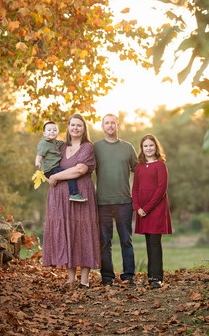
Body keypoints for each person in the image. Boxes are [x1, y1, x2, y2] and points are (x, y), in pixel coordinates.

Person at [42, 114, 100, 288]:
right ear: (67, 127)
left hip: (80, 194)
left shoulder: (87, 147)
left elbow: (79, 170)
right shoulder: (60, 147)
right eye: (72, 125)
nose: (75, 128)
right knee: (66, 231)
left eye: (79, 126)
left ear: (84, 129)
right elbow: (46, 166)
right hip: (59, 197)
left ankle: (84, 280)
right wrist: (47, 176)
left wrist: (56, 176)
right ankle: (70, 278)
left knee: (82, 231)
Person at [94, 114, 138, 287]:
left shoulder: (127, 147)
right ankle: (107, 277)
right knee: (105, 242)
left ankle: (128, 276)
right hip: (102, 202)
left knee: (126, 240)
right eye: (107, 123)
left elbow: (139, 171)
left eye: (113, 122)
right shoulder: (95, 147)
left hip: (124, 202)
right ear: (102, 126)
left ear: (118, 125)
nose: (110, 125)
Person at [132, 133, 172, 288]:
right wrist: (137, 207)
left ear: (156, 147)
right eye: (145, 146)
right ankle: (151, 276)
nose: (148, 148)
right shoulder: (139, 166)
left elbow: (161, 189)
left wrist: (147, 208)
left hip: (156, 209)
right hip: (142, 210)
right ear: (142, 149)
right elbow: (135, 188)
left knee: (155, 243)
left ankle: (157, 277)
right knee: (149, 242)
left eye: (151, 145)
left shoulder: (160, 165)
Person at [35, 121, 87, 202]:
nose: (52, 131)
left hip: (54, 169)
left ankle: (66, 195)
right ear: (44, 134)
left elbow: (65, 142)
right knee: (69, 174)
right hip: (50, 170)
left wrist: (76, 142)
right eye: (49, 130)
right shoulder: (44, 143)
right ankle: (74, 194)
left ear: (57, 132)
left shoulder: (57, 143)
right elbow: (39, 154)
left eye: (54, 130)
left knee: (65, 176)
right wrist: (37, 162)